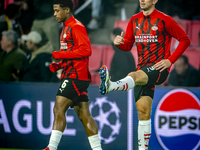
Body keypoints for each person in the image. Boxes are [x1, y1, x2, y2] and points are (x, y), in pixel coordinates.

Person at [98, 0, 190, 149]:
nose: (142, 0)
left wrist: (170, 60)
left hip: (159, 68)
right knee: (143, 113)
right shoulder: (134, 20)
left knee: (133, 75)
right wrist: (118, 43)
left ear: (154, 1)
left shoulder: (165, 20)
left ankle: (110, 86)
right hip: (143, 69)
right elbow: (127, 46)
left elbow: (185, 40)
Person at [44, 0, 102, 150]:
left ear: (67, 10)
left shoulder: (76, 27)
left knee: (58, 108)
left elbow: (86, 50)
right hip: (73, 74)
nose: (54, 14)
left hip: (75, 76)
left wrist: (61, 54)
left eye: (57, 10)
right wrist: (60, 64)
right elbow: (74, 55)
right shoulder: (65, 28)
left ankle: (51, 147)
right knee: (84, 114)